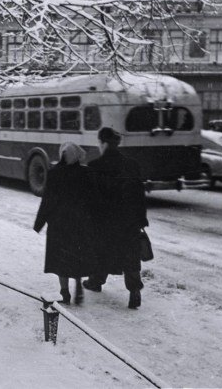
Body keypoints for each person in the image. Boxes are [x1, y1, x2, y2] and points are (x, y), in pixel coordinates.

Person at [82, 128, 149, 309]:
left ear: (103, 143)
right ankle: (134, 291)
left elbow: (90, 198)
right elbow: (139, 195)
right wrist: (141, 220)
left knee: (102, 250)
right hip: (128, 220)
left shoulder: (94, 166)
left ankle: (95, 281)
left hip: (104, 221)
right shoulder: (132, 165)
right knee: (130, 256)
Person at [33, 142, 98, 304]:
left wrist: (39, 223)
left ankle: (65, 292)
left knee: (60, 258)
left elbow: (47, 201)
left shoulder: (55, 173)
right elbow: (93, 200)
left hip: (59, 224)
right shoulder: (85, 173)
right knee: (77, 256)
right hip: (80, 223)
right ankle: (78, 285)